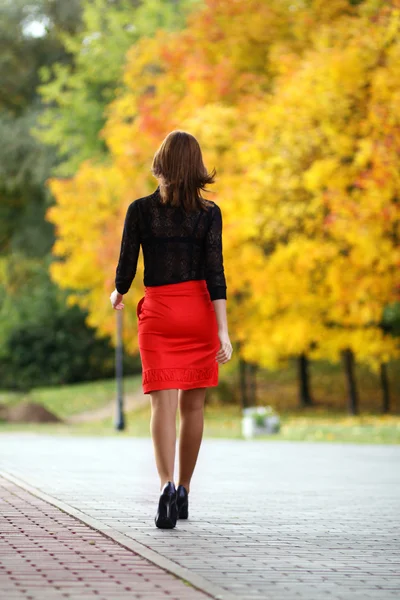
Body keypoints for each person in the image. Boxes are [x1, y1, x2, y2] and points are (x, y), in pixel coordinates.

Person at [109, 130, 233, 529]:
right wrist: (223, 331)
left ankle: (163, 485)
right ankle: (183, 490)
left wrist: (119, 292)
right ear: (196, 167)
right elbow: (216, 273)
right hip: (198, 314)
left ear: (161, 162)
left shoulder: (140, 210)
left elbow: (127, 263)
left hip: (160, 315)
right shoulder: (209, 214)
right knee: (192, 407)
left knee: (161, 405)